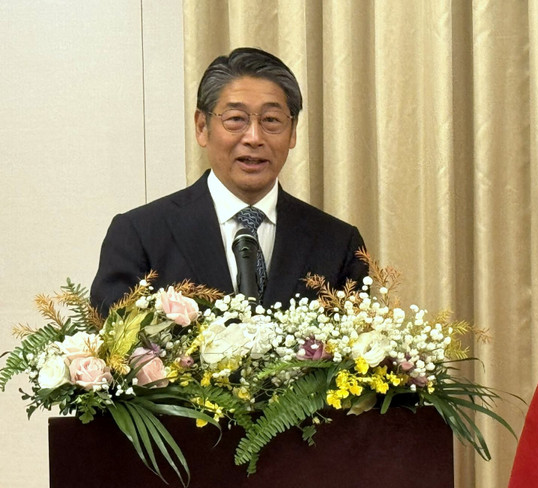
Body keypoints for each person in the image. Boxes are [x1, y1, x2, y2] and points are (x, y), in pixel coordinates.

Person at [91, 48, 367, 316]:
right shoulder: (141, 236)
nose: (254, 137)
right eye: (236, 119)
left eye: (272, 120)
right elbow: (114, 353)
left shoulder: (338, 244)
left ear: (292, 131)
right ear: (202, 127)